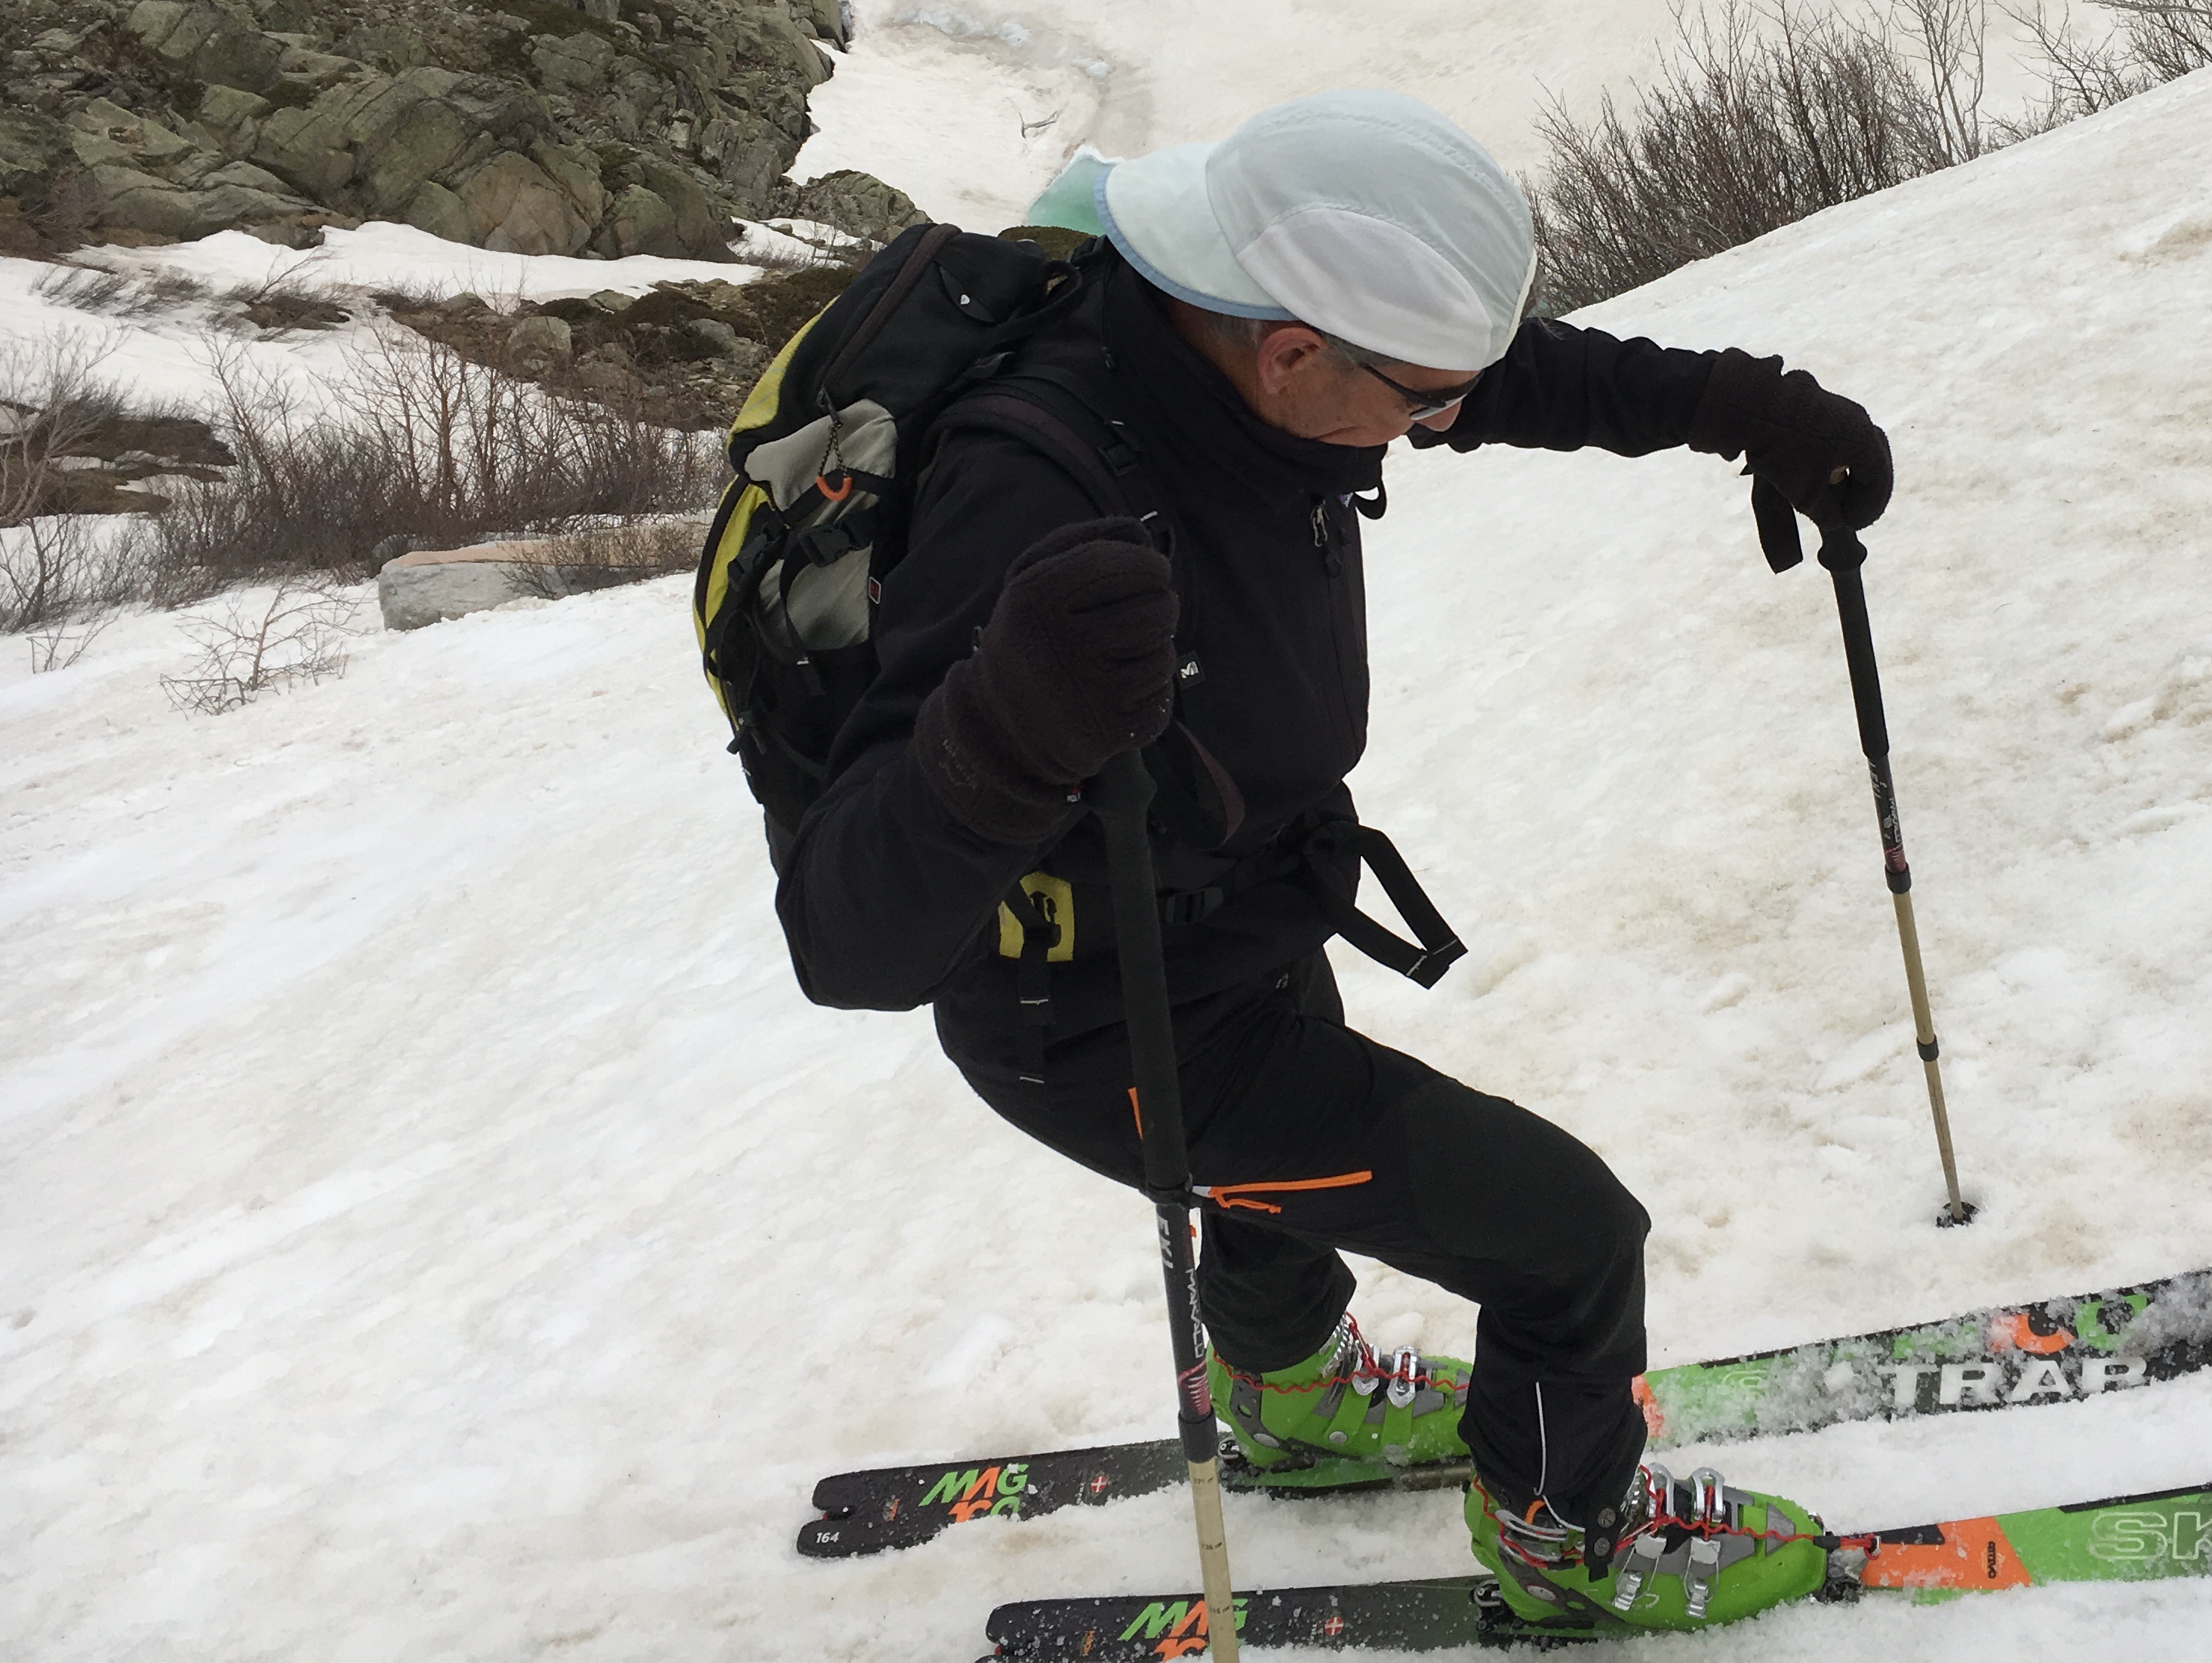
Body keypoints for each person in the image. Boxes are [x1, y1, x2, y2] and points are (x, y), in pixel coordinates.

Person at [777, 89, 1892, 1631]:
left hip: (1237, 902)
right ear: (1294, 353)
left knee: (1282, 1169)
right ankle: (1570, 1542)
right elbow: (849, 941)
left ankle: (1293, 1396)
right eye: (1420, 401)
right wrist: (1008, 726)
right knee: (1570, 1242)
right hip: (1102, 1021)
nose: (1438, 425)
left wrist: (1745, 409)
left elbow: (1506, 377)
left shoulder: (1219, 333)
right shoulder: (1034, 492)